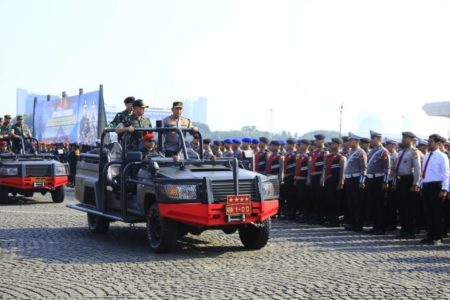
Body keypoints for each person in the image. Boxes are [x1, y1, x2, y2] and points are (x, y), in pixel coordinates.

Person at [420, 134, 450, 245]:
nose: (429, 143)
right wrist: (421, 185)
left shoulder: (442, 156)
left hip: (437, 186)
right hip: (427, 186)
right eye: (428, 141)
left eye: (431, 141)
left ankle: (438, 236)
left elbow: (446, 173)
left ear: (437, 143)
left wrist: (444, 189)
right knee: (428, 212)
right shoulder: (427, 155)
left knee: (437, 213)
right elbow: (424, 173)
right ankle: (430, 235)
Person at [391, 131, 421, 239]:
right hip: (400, 180)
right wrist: (395, 181)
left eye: (405, 138)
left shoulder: (414, 152)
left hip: (409, 180)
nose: (403, 139)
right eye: (403, 137)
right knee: (402, 206)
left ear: (411, 139)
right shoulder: (401, 152)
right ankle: (404, 230)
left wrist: (415, 183)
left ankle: (410, 231)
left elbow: (417, 169)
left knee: (409, 207)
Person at [365, 130, 390, 235]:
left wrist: (385, 181)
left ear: (378, 139)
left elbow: (387, 168)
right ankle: (375, 226)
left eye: (373, 138)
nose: (371, 140)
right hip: (371, 179)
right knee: (373, 204)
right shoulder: (371, 151)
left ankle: (381, 227)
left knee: (380, 205)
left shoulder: (383, 151)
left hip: (379, 180)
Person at [344, 133, 367, 231]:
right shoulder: (350, 152)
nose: (349, 142)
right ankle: (352, 223)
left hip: (356, 179)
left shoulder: (360, 152)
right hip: (349, 179)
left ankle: (358, 224)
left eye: (351, 140)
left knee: (357, 203)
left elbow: (364, 167)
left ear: (357, 141)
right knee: (351, 202)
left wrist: (362, 181)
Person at [321, 138, 346, 227]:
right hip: (328, 181)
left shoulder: (341, 157)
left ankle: (335, 220)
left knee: (336, 201)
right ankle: (330, 219)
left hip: (335, 182)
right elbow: (325, 168)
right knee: (329, 200)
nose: (331, 145)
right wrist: (323, 178)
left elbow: (342, 171)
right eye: (331, 144)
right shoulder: (328, 156)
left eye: (334, 144)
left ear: (338, 145)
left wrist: (341, 182)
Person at [308, 134, 329, 224]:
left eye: (318, 140)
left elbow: (325, 165)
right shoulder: (314, 152)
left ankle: (320, 218)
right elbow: (310, 166)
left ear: (322, 141)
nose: (316, 142)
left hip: (319, 176)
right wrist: (309, 177)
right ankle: (316, 216)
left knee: (320, 198)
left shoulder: (325, 152)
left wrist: (323, 177)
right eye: (316, 140)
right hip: (313, 176)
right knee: (314, 197)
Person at [294, 139, 311, 222]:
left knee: (304, 198)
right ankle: (300, 214)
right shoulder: (299, 155)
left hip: (304, 180)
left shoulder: (308, 155)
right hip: (298, 179)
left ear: (306, 145)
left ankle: (305, 215)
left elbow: (309, 168)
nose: (299, 146)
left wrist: (308, 179)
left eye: (301, 145)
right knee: (299, 198)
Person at [385, 138, 399, 230]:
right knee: (386, 203)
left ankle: (392, 224)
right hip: (386, 180)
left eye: (389, 144)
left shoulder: (396, 156)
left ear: (393, 145)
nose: (386, 146)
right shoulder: (387, 155)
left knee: (392, 204)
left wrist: (394, 183)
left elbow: (396, 172)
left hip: (392, 181)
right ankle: (388, 222)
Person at [282, 138, 298, 220]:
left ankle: (292, 214)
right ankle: (287, 213)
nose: (287, 146)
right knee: (287, 196)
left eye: (288, 144)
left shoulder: (296, 154)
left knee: (292, 197)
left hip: (291, 178)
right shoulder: (286, 154)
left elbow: (295, 168)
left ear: (292, 145)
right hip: (285, 178)